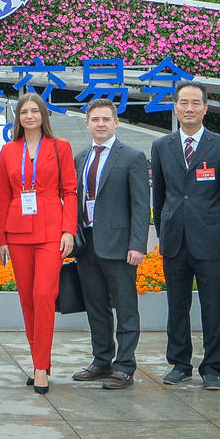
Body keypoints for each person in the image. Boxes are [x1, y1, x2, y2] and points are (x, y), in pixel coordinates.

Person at [150, 82, 220, 390]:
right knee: (177, 305)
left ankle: (213, 368)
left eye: (195, 103)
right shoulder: (162, 145)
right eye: (183, 103)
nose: (189, 108)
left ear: (205, 108)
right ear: (175, 107)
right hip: (175, 239)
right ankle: (180, 363)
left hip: (211, 238)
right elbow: (159, 194)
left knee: (212, 306)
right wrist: (162, 231)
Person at [0, 92, 77, 395]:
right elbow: (3, 196)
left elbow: (70, 191)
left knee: (44, 295)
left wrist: (68, 230)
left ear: (43, 115)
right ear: (17, 118)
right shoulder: (9, 150)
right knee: (27, 300)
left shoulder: (60, 147)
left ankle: (41, 367)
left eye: (34, 111)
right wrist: (2, 239)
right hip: (17, 231)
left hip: (51, 231)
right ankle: (38, 361)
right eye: (24, 112)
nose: (29, 116)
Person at [70, 98, 150, 390]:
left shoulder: (132, 157)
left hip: (119, 245)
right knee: (96, 306)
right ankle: (102, 360)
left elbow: (141, 205)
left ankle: (125, 366)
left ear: (116, 122)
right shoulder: (81, 158)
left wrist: (137, 245)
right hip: (87, 244)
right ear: (87, 123)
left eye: (106, 119)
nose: (100, 124)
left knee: (125, 308)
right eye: (95, 119)